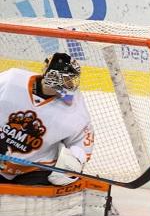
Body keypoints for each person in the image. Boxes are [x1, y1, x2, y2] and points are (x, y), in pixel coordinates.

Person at [0, 52, 94, 186]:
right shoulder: (10, 81)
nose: (70, 84)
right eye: (68, 78)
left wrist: (74, 162)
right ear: (54, 76)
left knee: (30, 203)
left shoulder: (75, 107)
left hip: (35, 169)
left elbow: (82, 142)